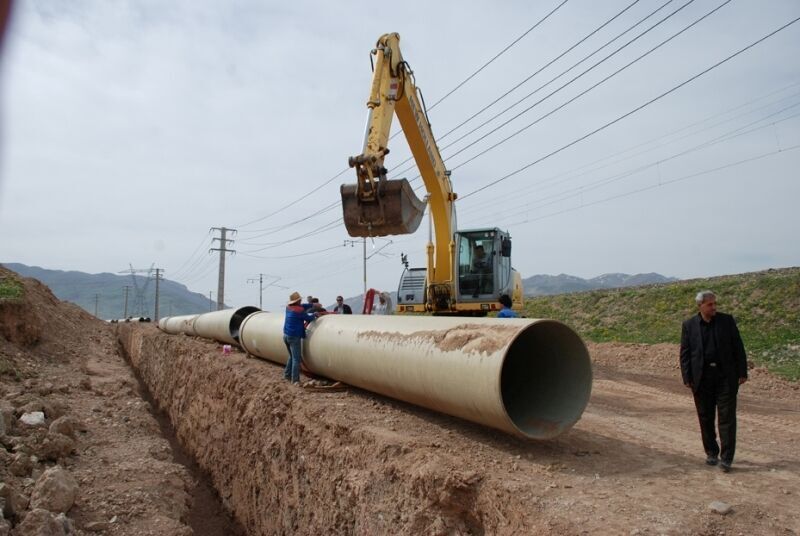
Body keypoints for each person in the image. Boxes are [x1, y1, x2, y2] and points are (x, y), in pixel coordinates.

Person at [680, 290, 748, 473]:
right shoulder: (689, 325)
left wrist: (742, 372)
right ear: (700, 306)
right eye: (710, 304)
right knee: (705, 417)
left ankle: (726, 458)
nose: (714, 307)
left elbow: (738, 347)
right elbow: (685, 353)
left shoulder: (726, 321)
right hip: (701, 379)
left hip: (725, 377)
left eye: (715, 303)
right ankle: (711, 452)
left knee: (727, 418)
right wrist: (687, 377)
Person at [283, 291, 318, 385]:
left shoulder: (288, 308)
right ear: (298, 301)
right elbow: (309, 318)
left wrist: (312, 305)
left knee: (291, 356)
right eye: (300, 300)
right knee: (296, 359)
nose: (301, 301)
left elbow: (302, 306)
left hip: (286, 335)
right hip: (294, 337)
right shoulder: (299, 311)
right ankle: (295, 380)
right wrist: (315, 314)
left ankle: (286, 375)